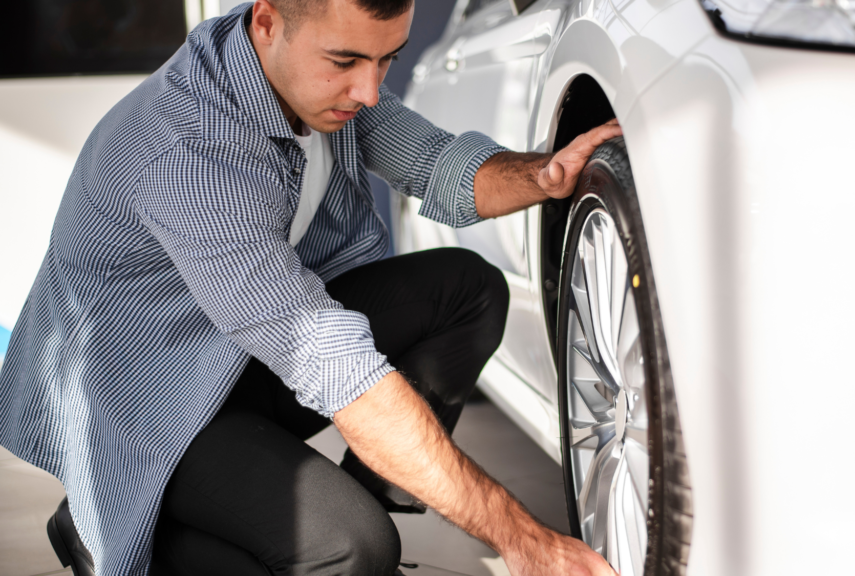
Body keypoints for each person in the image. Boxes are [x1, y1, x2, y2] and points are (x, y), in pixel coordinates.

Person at [0, 0, 623, 575]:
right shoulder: (188, 152)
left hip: (230, 358)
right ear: (268, 23)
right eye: (347, 61)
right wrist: (523, 539)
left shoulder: (310, 77)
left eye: (387, 60)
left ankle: (355, 507)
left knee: (468, 289)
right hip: (145, 405)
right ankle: (98, 527)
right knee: (353, 548)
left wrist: (543, 173)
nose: (370, 90)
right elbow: (335, 365)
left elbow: (437, 165)